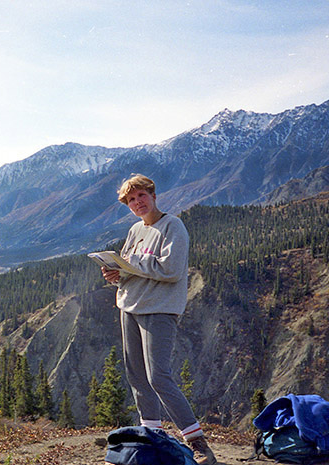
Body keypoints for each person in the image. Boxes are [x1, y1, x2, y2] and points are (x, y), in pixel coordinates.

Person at [101, 174, 216, 465]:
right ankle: (151, 436)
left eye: (141, 196)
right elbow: (133, 272)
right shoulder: (135, 231)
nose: (137, 203)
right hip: (129, 306)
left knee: (159, 377)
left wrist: (130, 266)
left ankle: (198, 443)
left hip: (159, 309)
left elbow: (171, 270)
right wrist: (117, 275)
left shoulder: (172, 226)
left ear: (153, 195)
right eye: (130, 200)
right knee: (137, 376)